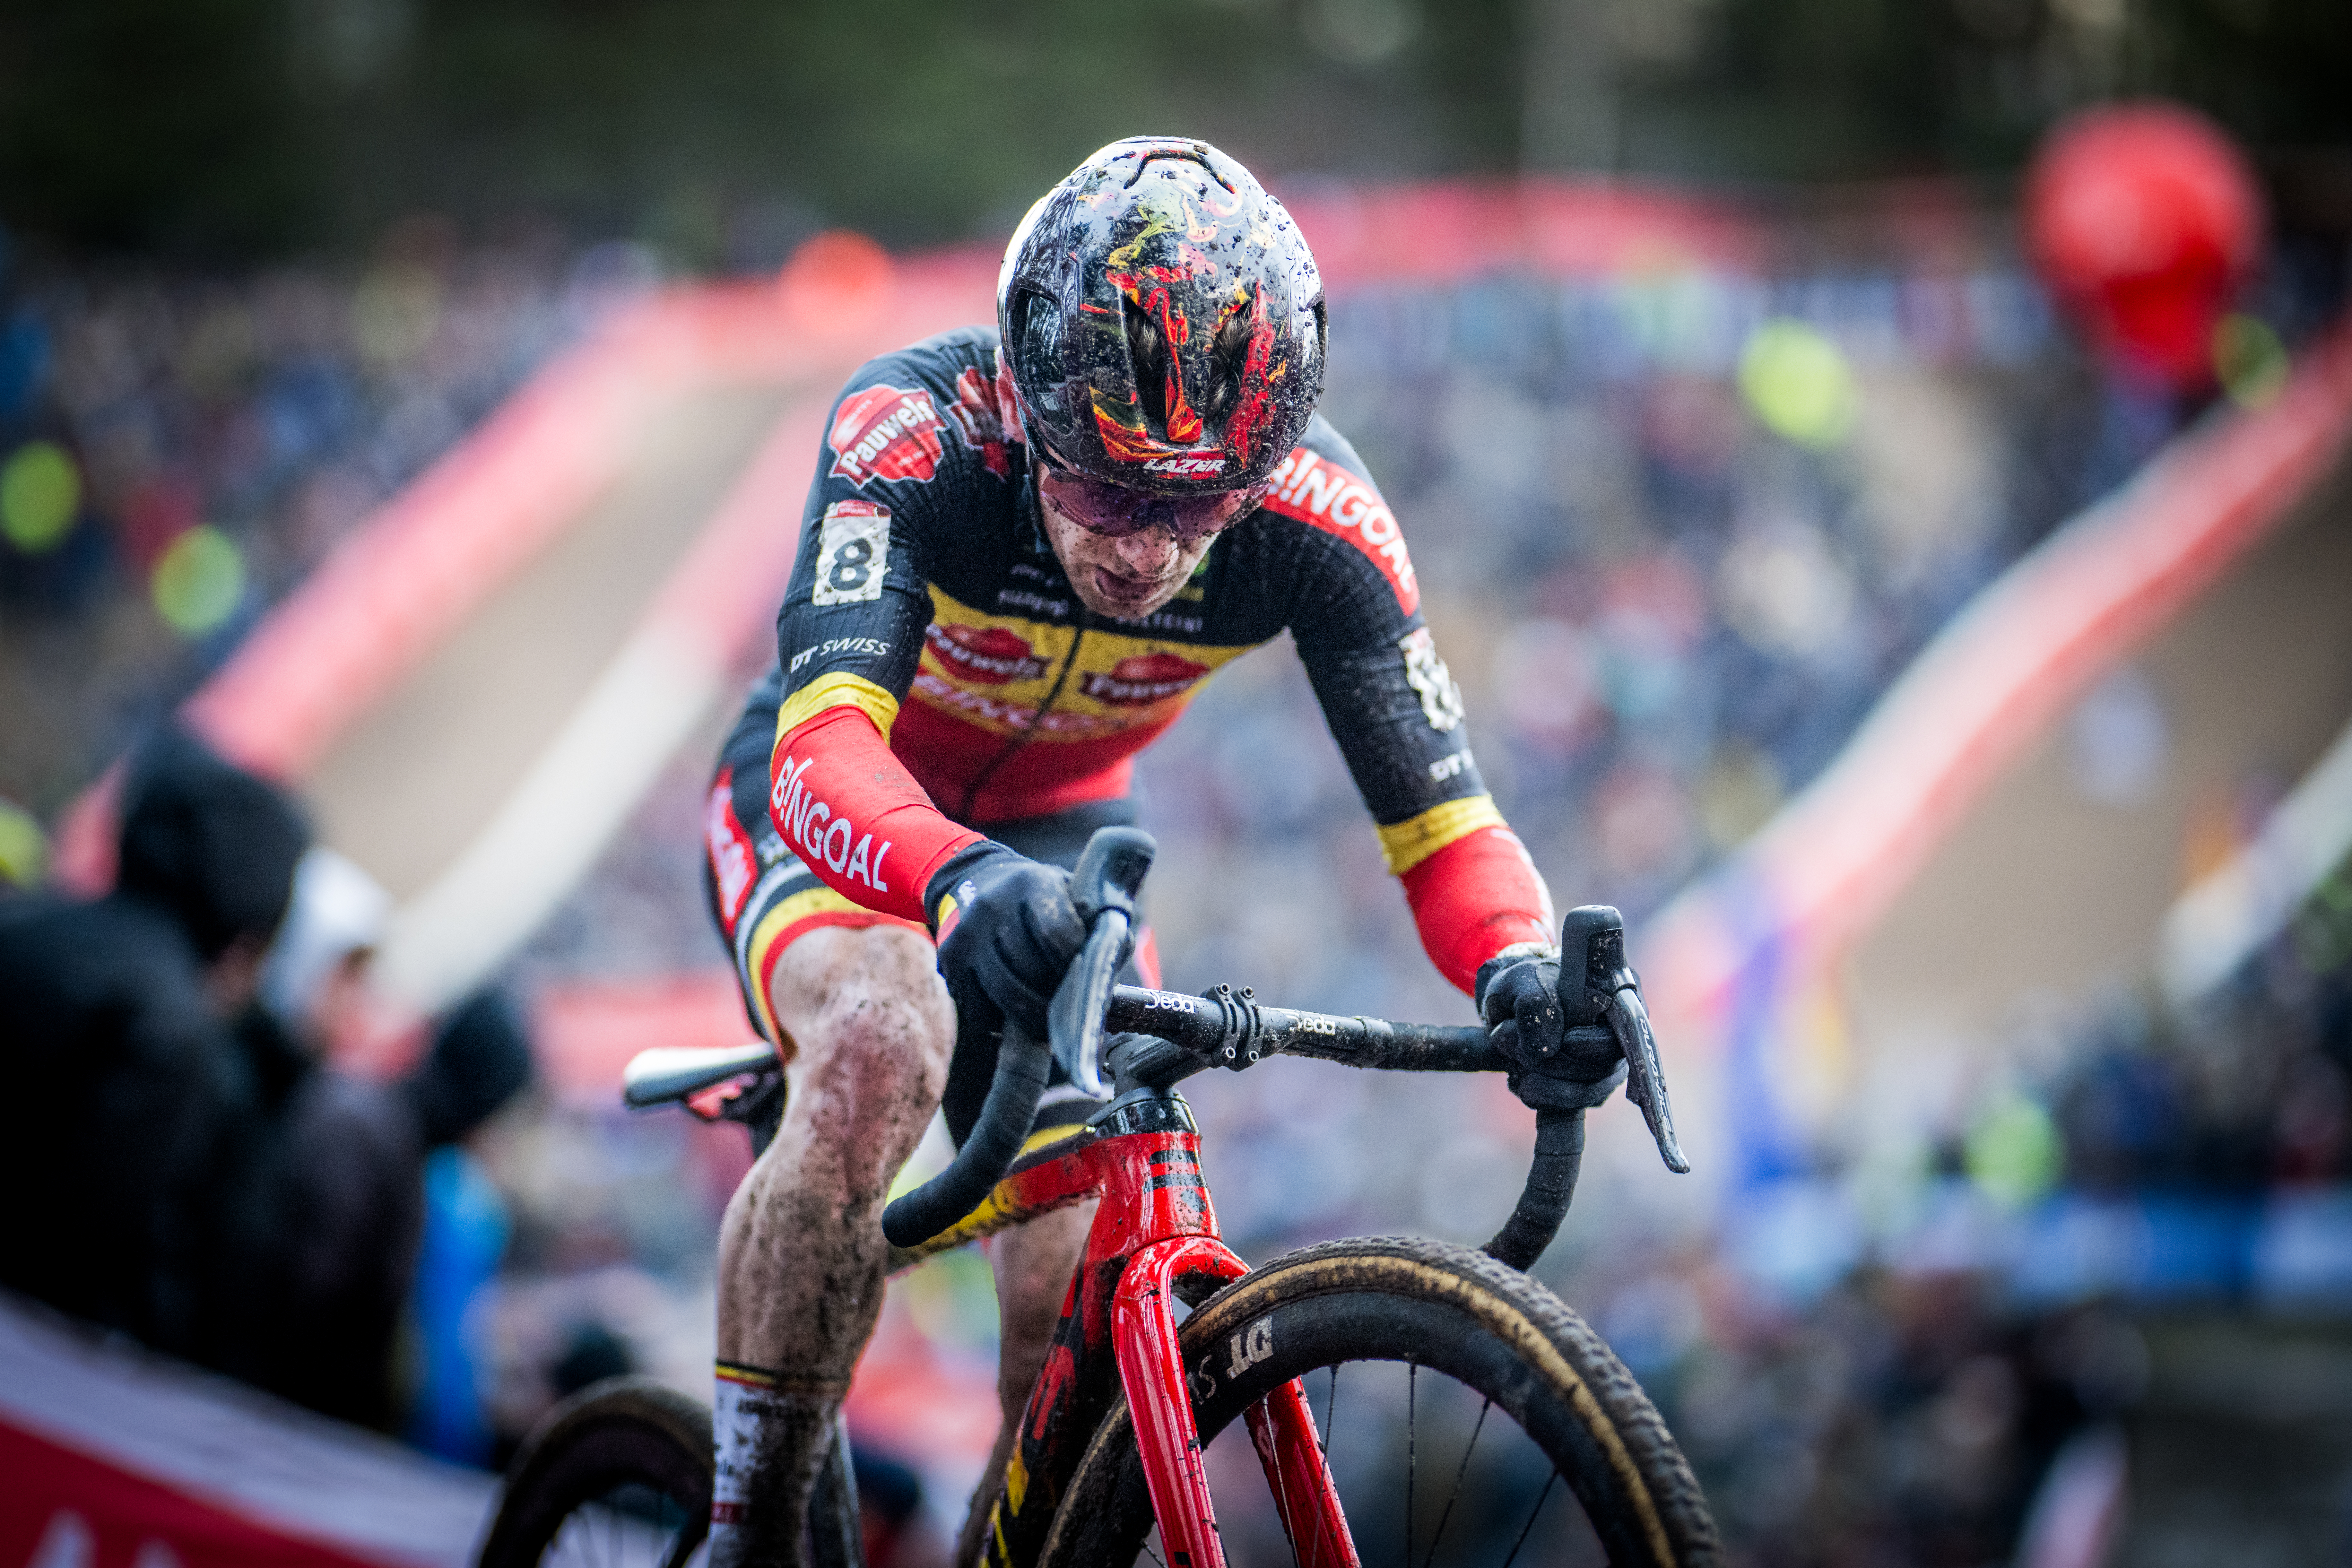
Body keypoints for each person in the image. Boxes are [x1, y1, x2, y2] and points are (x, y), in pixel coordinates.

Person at [698, 137, 1589, 1567]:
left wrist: (1523, 968)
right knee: (878, 1034)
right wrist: (950, 874)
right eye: (1109, 493)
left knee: (1072, 1289)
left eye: (1200, 505)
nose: (1149, 552)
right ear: (1023, 393)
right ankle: (744, 1532)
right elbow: (821, 753)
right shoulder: (914, 433)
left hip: (1059, 850)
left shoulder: (1319, 522)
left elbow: (1446, 828)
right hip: (848, 812)